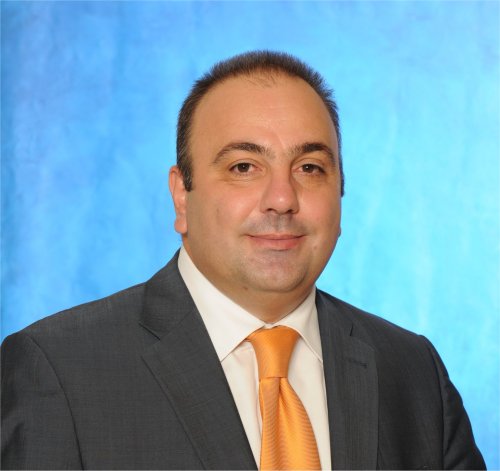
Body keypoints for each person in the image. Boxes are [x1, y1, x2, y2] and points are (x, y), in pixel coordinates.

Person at [1, 51, 485, 470]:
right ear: (181, 196)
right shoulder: (59, 371)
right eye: (244, 167)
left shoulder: (413, 371)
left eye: (309, 167)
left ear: (340, 192)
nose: (282, 199)